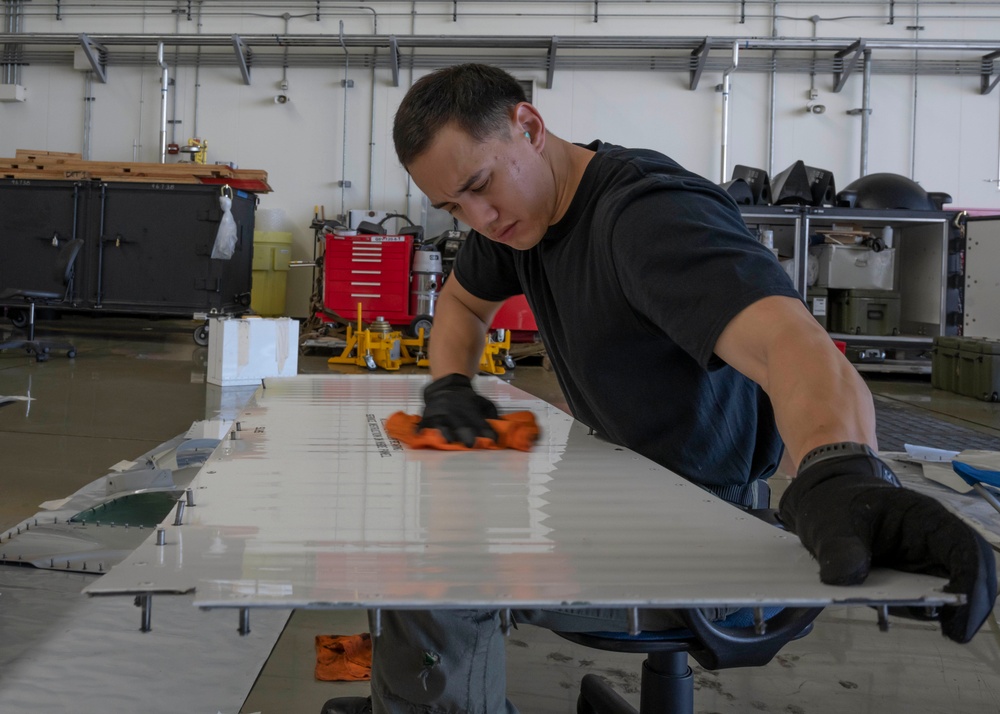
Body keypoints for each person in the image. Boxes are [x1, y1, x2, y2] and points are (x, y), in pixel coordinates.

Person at [322, 63, 997, 714]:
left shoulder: (645, 216)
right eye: (453, 206)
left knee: (433, 575)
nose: (479, 218)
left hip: (701, 529)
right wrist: (448, 385)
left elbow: (787, 340)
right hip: (605, 489)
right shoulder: (519, 219)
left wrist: (839, 470)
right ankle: (410, 698)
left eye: (479, 185)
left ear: (528, 126)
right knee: (412, 523)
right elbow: (463, 306)